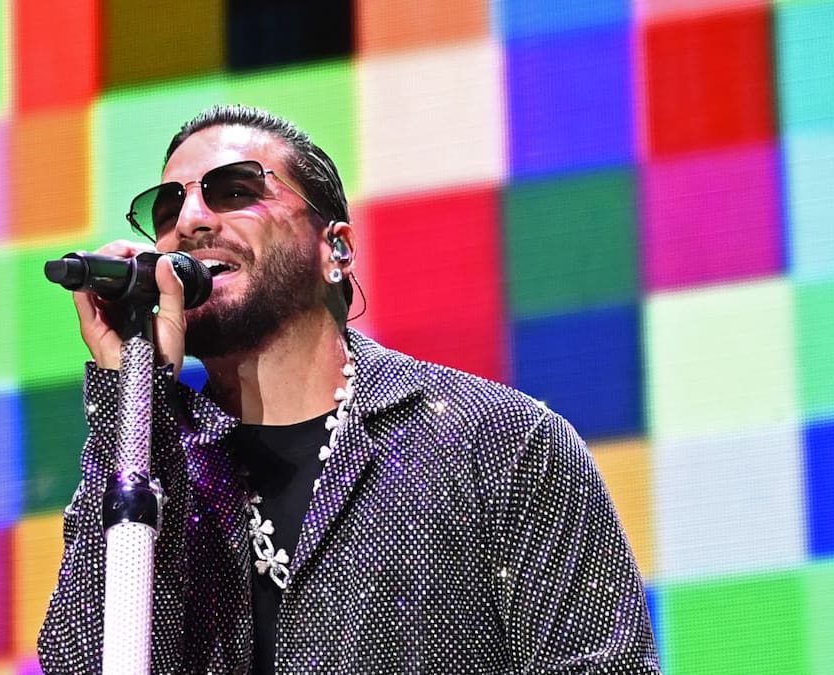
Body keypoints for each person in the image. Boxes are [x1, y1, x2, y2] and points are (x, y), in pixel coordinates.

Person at [38, 104, 660, 674]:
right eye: (168, 210)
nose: (191, 221)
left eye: (235, 191)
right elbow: (81, 662)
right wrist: (132, 395)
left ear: (335, 248)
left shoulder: (498, 444)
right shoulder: (157, 461)